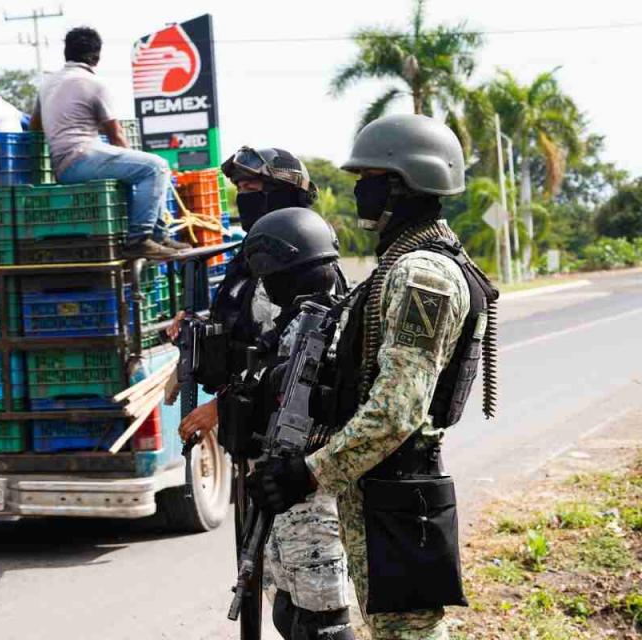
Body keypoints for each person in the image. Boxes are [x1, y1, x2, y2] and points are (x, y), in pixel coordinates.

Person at [247, 114, 499, 640]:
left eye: (368, 179)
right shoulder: (402, 263)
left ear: (401, 185)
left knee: (407, 634)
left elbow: (397, 411)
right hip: (381, 484)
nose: (359, 189)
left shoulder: (421, 274)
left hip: (397, 486)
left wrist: (308, 472)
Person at [241, 207, 355, 640]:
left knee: (324, 622)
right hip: (283, 489)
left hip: (310, 494)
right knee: (289, 613)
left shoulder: (325, 333)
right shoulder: (293, 327)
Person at [174, 147, 320, 443]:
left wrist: (220, 407)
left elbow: (294, 352)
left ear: (283, 194)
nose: (244, 197)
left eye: (252, 188)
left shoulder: (307, 262)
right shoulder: (249, 257)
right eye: (240, 188)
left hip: (288, 436)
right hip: (247, 425)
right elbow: (243, 324)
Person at [30, 27, 187, 259]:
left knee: (143, 170)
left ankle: (157, 235)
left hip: (61, 166)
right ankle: (140, 239)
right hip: (81, 158)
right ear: (96, 57)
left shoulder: (47, 85)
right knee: (155, 167)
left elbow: (35, 126)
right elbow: (116, 136)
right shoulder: (94, 83)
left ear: (66, 53)